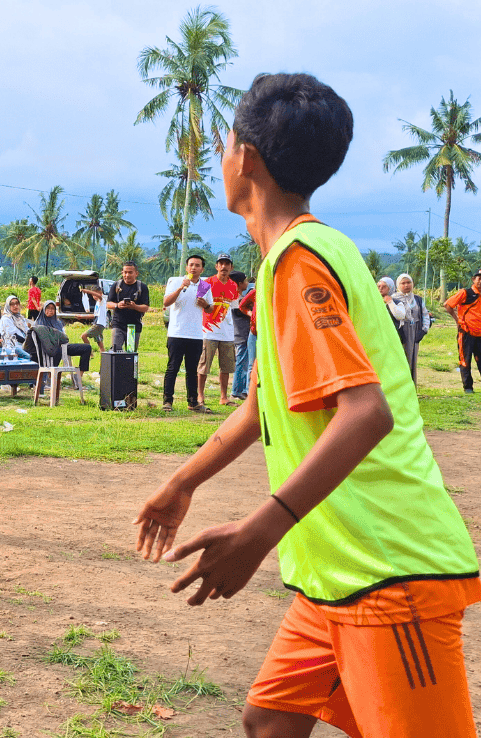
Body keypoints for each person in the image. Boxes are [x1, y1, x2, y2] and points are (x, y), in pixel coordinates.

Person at [135, 72, 480, 738]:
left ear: (246, 158)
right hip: (335, 574)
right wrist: (182, 483)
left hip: (389, 570)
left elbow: (366, 413)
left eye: (226, 141)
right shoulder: (302, 254)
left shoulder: (300, 258)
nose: (221, 156)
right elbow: (262, 403)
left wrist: (260, 529)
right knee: (270, 721)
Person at [162, 254, 209, 413]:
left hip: (195, 334)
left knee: (192, 370)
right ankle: (167, 401)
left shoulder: (204, 286)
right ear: (186, 267)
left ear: (202, 269)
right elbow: (166, 302)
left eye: (197, 265)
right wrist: (181, 288)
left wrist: (205, 304)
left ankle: (193, 401)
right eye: (191, 265)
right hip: (177, 332)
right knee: (173, 367)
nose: (193, 268)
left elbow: (209, 308)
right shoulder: (176, 281)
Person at [196, 254, 239, 407]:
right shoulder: (206, 283)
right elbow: (197, 301)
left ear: (231, 267)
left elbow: (234, 307)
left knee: (226, 366)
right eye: (221, 263)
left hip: (227, 332)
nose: (224, 267)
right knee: (204, 365)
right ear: (216, 266)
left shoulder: (234, 285)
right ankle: (200, 396)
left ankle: (224, 397)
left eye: (227, 264)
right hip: (208, 331)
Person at [27, 301, 92, 374]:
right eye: (48, 308)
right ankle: (51, 376)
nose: (50, 310)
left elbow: (64, 338)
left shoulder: (58, 323)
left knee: (87, 348)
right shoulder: (38, 323)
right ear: (44, 310)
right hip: (48, 349)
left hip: (63, 346)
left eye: (52, 308)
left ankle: (79, 376)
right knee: (57, 349)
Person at [444, 269, 481, 394]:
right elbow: (448, 305)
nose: (480, 281)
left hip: (480, 334)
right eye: (479, 278)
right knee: (465, 360)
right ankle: (468, 388)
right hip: (466, 333)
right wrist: (457, 321)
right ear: (473, 279)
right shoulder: (466, 293)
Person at [393, 273, 429, 382]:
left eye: (408, 282)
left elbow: (425, 315)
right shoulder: (393, 300)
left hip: (414, 333)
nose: (406, 285)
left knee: (412, 361)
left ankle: (411, 389)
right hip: (399, 333)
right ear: (397, 285)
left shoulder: (417, 299)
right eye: (403, 283)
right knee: (399, 360)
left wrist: (423, 330)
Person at [106, 261, 149, 351]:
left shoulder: (142, 287)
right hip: (118, 324)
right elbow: (108, 303)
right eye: (125, 272)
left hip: (133, 326)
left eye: (130, 272)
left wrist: (135, 306)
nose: (127, 275)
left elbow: (146, 307)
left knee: (131, 352)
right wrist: (117, 305)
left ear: (136, 273)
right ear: (122, 273)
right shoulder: (116, 285)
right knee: (115, 350)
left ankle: (129, 365)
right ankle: (117, 365)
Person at [229, 271, 251, 400]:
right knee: (242, 363)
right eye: (245, 280)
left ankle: (240, 389)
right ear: (239, 283)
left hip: (241, 335)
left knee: (243, 362)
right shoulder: (236, 299)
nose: (247, 283)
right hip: (242, 335)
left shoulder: (238, 298)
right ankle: (237, 390)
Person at [0, 295, 34, 360]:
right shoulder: (6, 318)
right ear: (8, 306)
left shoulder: (20, 318)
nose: (15, 306)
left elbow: (27, 331)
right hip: (12, 347)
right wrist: (28, 342)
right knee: (30, 357)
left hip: (23, 345)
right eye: (12, 304)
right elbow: (14, 336)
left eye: (17, 303)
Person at [78, 283, 107, 353]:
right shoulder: (97, 303)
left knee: (83, 336)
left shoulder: (102, 299)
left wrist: (87, 291)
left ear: (101, 293)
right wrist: (82, 317)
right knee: (100, 343)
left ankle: (89, 353)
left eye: (95, 294)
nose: (94, 296)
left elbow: (99, 296)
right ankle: (103, 355)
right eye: (93, 295)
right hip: (98, 323)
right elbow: (94, 315)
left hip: (99, 324)